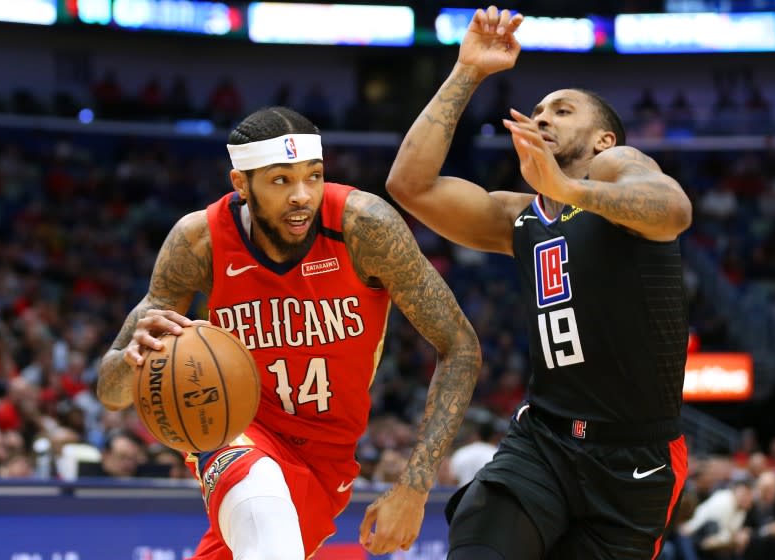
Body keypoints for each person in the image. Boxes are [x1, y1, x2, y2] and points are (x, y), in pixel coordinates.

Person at [96, 106, 481, 559]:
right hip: (233, 426)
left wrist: (415, 485)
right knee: (263, 503)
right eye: (281, 180)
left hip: (327, 455)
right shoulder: (198, 241)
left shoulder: (365, 227)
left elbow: (460, 346)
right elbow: (112, 391)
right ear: (241, 184)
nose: (302, 195)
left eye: (313, 176)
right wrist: (132, 359)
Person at [383, 7, 693, 559]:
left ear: (602, 139)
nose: (543, 115)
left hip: (634, 459)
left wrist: (569, 189)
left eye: (563, 109)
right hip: (543, 441)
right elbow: (409, 185)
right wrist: (468, 71)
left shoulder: (621, 166)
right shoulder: (521, 216)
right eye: (538, 109)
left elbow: (673, 211)